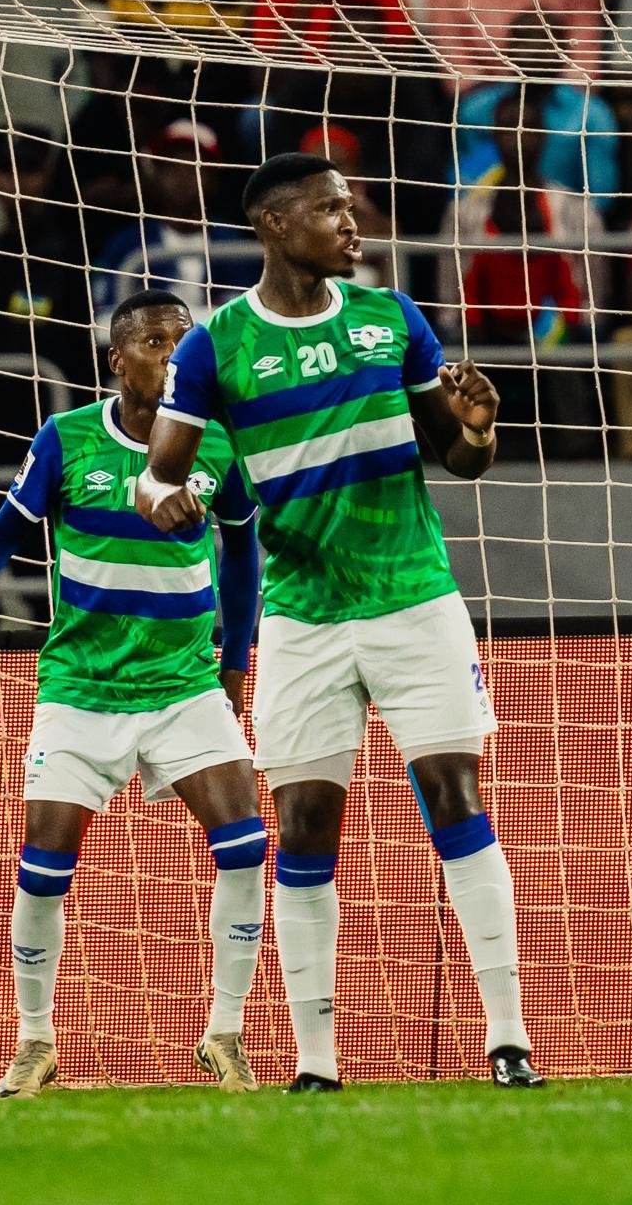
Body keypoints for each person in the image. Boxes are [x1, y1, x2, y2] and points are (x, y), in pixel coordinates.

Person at [132, 151, 531, 1090]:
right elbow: (159, 470)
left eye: (352, 207)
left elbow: (459, 458)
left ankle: (508, 1037)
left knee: (457, 798)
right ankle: (316, 1061)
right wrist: (165, 500)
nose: (354, 224)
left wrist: (474, 428)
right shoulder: (215, 344)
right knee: (305, 826)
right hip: (304, 616)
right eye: (331, 209)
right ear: (275, 224)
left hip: (414, 599)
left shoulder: (392, 319)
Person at [0, 294, 268, 1095]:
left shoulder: (218, 446)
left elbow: (243, 554)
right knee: (44, 865)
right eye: (153, 339)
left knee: (246, 844)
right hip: (83, 684)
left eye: (183, 339)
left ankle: (225, 1031)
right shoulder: (66, 440)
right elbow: (7, 526)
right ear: (117, 358)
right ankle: (36, 1040)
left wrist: (235, 663)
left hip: (182, 681)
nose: (171, 351)